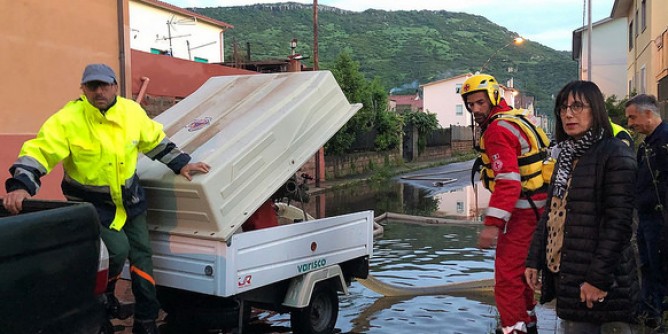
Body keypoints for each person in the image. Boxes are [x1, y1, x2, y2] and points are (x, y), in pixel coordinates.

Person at [2, 63, 211, 334]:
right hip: (91, 204)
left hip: (130, 200)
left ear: (115, 86)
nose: (99, 91)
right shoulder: (68, 119)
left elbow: (155, 141)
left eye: (104, 85)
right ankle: (103, 303)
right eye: (92, 86)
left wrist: (181, 164)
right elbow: (40, 151)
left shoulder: (131, 112)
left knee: (142, 256)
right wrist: (21, 185)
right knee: (117, 250)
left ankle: (146, 319)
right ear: (83, 89)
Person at [525, 80, 639, 333]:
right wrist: (534, 260)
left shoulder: (615, 154)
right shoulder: (566, 155)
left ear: (595, 110)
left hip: (605, 283)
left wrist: (596, 280)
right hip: (571, 277)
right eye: (563, 108)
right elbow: (552, 214)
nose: (568, 114)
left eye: (577, 106)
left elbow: (619, 225)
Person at [461, 73, 550, 334]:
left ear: (493, 98)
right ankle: (528, 322)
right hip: (538, 208)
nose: (475, 109)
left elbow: (509, 182)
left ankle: (513, 328)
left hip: (522, 213)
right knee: (525, 272)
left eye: (479, 103)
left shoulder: (498, 130)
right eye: (470, 104)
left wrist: (492, 225)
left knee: (507, 277)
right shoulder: (517, 118)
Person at [626, 93, 668, 329]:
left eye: (633, 117)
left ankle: (657, 313)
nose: (630, 123)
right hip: (646, 217)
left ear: (648, 114)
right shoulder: (647, 146)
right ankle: (649, 310)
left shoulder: (664, 142)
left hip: (660, 219)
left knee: (659, 266)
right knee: (648, 265)